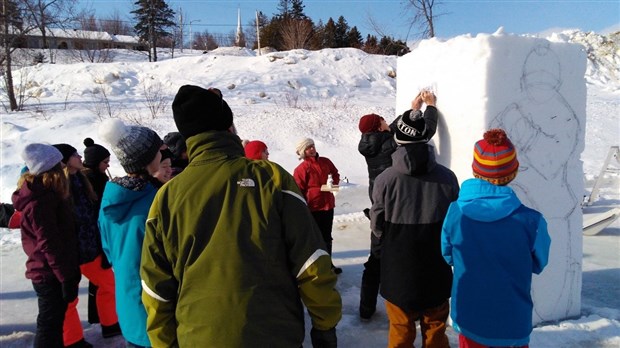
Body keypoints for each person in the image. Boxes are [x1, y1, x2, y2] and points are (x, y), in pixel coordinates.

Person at [140, 85, 342, 347]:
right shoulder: (271, 178)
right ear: (229, 125)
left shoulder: (166, 197)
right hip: (274, 334)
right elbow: (311, 261)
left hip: (199, 337)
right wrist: (325, 324)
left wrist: (164, 343)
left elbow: (155, 289)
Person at [441, 128, 551, 348]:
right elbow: (539, 263)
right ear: (513, 173)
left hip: (470, 315)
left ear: (475, 170)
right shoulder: (532, 221)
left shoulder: (455, 212)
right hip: (512, 321)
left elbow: (448, 255)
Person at [370, 109, 458, 347]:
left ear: (398, 140)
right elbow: (453, 224)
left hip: (398, 268)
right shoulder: (448, 177)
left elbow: (377, 225)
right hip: (436, 267)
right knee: (436, 328)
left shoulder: (385, 180)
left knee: (401, 329)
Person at [357, 90, 438, 320]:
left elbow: (394, 129)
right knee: (401, 260)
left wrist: (413, 108)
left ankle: (366, 308)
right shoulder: (387, 144)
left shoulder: (370, 143)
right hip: (396, 206)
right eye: (381, 118)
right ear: (378, 126)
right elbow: (421, 134)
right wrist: (429, 108)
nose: (385, 119)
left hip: (379, 205)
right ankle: (408, 310)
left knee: (374, 261)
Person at [98, 118, 163, 348]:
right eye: (158, 151)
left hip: (128, 306)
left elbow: (109, 251)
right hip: (155, 310)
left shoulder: (110, 201)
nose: (162, 154)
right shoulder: (154, 201)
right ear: (146, 160)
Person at [11, 143, 81, 348]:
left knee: (53, 324)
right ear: (50, 171)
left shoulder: (47, 195)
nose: (63, 169)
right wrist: (65, 278)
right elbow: (49, 244)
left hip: (50, 272)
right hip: (48, 274)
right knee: (49, 326)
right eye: (59, 165)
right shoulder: (41, 202)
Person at [52, 144, 121, 346]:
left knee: (108, 283)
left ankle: (110, 324)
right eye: (74, 154)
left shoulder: (81, 179)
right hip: (70, 253)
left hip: (90, 248)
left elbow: (91, 213)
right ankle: (72, 340)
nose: (79, 156)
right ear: (64, 160)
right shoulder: (56, 185)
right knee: (69, 299)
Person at [293, 138, 343, 274]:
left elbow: (335, 173)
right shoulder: (302, 169)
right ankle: (317, 266)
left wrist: (334, 184)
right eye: (309, 147)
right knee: (315, 237)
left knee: (327, 236)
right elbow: (299, 189)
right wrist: (302, 208)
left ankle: (328, 263)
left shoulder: (325, 161)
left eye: (313, 146)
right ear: (303, 151)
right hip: (313, 207)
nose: (312, 149)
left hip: (328, 204)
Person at [82, 137, 112, 325]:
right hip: (95, 234)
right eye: (105, 162)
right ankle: (105, 319)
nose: (107, 165)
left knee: (99, 280)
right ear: (95, 163)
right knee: (103, 280)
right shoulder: (91, 180)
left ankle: (99, 316)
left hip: (98, 232)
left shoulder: (97, 177)